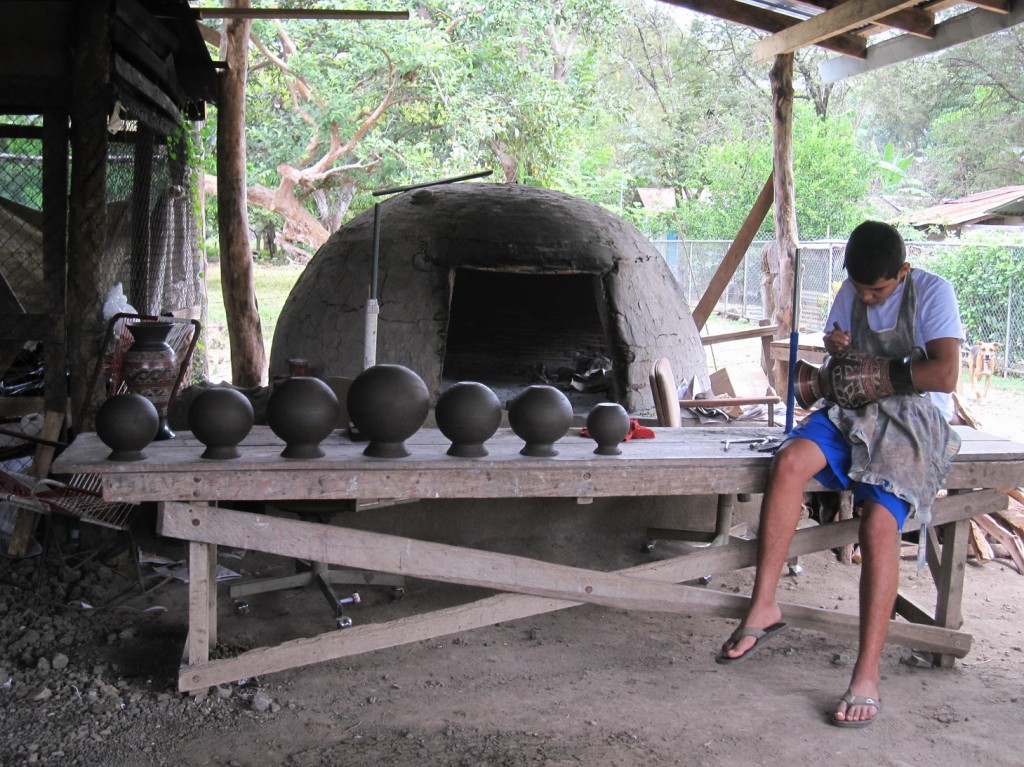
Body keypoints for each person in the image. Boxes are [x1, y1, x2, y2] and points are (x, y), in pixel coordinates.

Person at [715, 221, 963, 728]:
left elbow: (944, 374)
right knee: (789, 462)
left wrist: (880, 372)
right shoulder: (852, 290)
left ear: (903, 272)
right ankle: (764, 606)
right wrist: (835, 345)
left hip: (913, 419)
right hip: (854, 409)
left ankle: (866, 674)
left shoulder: (933, 293)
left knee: (878, 525)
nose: (866, 298)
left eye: (878, 290)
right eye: (859, 288)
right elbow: (838, 349)